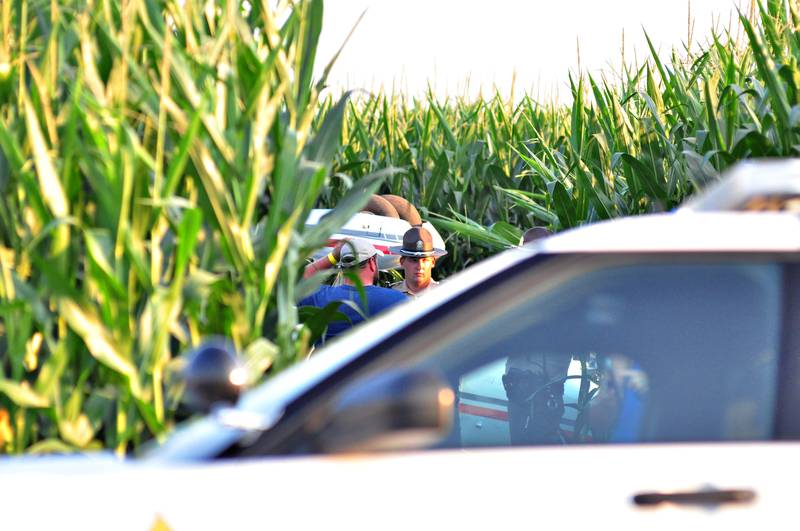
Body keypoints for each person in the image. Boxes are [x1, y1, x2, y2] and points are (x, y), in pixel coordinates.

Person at [300, 238, 407, 342]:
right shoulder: (395, 300)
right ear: (372, 262)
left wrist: (333, 257)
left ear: (342, 267)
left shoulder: (321, 297)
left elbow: (295, 285)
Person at [389, 226, 447, 298]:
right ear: (402, 262)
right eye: (414, 260)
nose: (419, 266)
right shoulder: (390, 294)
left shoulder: (444, 294)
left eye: (425, 260)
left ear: (432, 262)